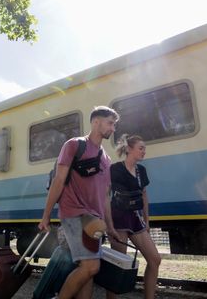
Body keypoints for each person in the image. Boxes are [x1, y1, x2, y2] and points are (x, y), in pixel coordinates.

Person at [39, 106, 120, 299]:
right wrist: (46, 215)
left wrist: (110, 225)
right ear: (96, 122)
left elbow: (105, 195)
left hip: (95, 220)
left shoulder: (106, 158)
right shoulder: (74, 145)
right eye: (110, 123)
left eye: (114, 125)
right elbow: (58, 181)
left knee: (87, 269)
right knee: (91, 266)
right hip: (75, 213)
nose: (113, 128)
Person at [107, 134, 161, 299]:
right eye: (141, 148)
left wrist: (147, 220)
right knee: (117, 264)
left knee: (155, 259)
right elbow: (105, 196)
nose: (144, 151)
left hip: (136, 218)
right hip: (118, 219)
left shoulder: (141, 171)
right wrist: (108, 225)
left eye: (144, 148)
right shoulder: (114, 169)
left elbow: (144, 195)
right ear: (129, 149)